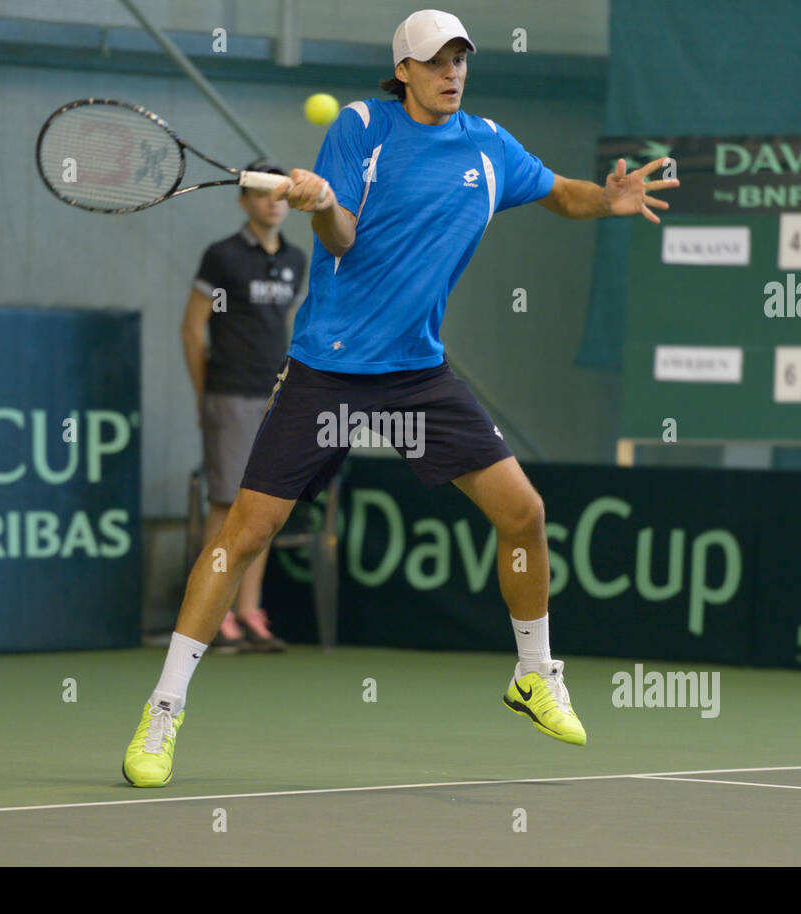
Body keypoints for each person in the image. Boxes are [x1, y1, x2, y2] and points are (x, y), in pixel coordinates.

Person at [123, 8, 678, 787]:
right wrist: (322, 205)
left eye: (460, 59)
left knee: (523, 513)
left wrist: (608, 200)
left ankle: (533, 674)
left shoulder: (490, 145)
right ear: (404, 71)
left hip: (416, 375)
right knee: (246, 531)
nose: (451, 72)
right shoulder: (358, 128)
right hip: (329, 370)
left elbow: (558, 193)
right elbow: (345, 240)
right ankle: (163, 711)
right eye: (435, 61)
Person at [181, 160, 307, 654]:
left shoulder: (296, 259)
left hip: (276, 398)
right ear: (244, 202)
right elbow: (193, 329)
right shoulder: (222, 258)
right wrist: (203, 396)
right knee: (225, 506)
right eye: (260, 193)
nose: (272, 201)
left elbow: (289, 327)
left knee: (263, 509)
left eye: (280, 193)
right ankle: (213, 616)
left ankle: (249, 613)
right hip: (229, 395)